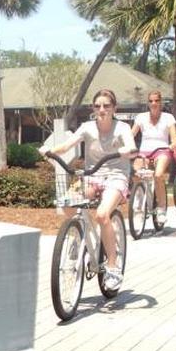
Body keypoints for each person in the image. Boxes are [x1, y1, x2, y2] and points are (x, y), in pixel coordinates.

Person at [39, 88, 137, 289]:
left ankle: (112, 266)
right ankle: (78, 235)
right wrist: (48, 151)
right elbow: (66, 146)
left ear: (114, 108)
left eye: (106, 106)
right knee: (67, 203)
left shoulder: (122, 128)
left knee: (102, 215)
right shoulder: (87, 127)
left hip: (116, 177)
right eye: (97, 105)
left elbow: (131, 147)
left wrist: (126, 151)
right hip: (92, 176)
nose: (102, 109)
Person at [130, 90, 176, 222]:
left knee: (158, 175)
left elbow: (174, 137)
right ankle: (139, 206)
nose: (154, 103)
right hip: (144, 151)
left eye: (156, 100)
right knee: (136, 174)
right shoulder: (141, 117)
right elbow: (131, 134)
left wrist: (173, 144)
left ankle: (161, 208)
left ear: (160, 102)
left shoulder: (168, 117)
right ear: (148, 103)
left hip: (162, 150)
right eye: (151, 101)